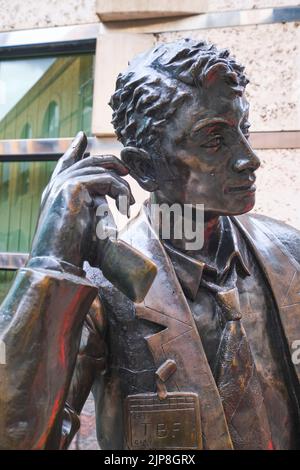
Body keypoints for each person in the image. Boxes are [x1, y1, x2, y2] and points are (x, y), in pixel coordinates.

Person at [0, 39, 299, 450]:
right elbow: (17, 435)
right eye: (214, 140)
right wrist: (51, 263)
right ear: (144, 167)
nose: (249, 158)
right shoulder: (100, 288)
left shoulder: (290, 253)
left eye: (242, 130)